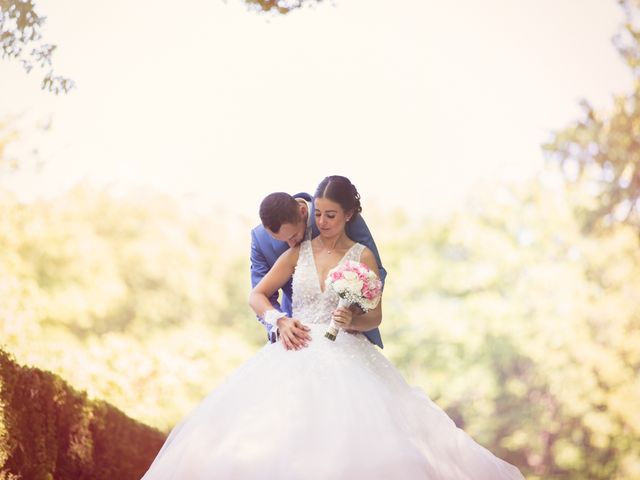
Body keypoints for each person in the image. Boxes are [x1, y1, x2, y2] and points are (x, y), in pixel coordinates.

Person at [141, 175, 526, 480]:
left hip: (348, 351)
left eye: (329, 215)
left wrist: (353, 318)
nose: (321, 223)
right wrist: (279, 320)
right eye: (320, 216)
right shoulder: (294, 252)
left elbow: (375, 313)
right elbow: (257, 293)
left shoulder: (362, 253)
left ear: (345, 215)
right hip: (294, 346)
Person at [250, 188, 386, 348]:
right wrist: (279, 322)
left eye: (293, 236)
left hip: (345, 336)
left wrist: (355, 312)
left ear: (302, 211)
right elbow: (258, 293)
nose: (291, 245)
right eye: (283, 240)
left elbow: (370, 270)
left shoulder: (332, 210)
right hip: (297, 331)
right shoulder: (263, 240)